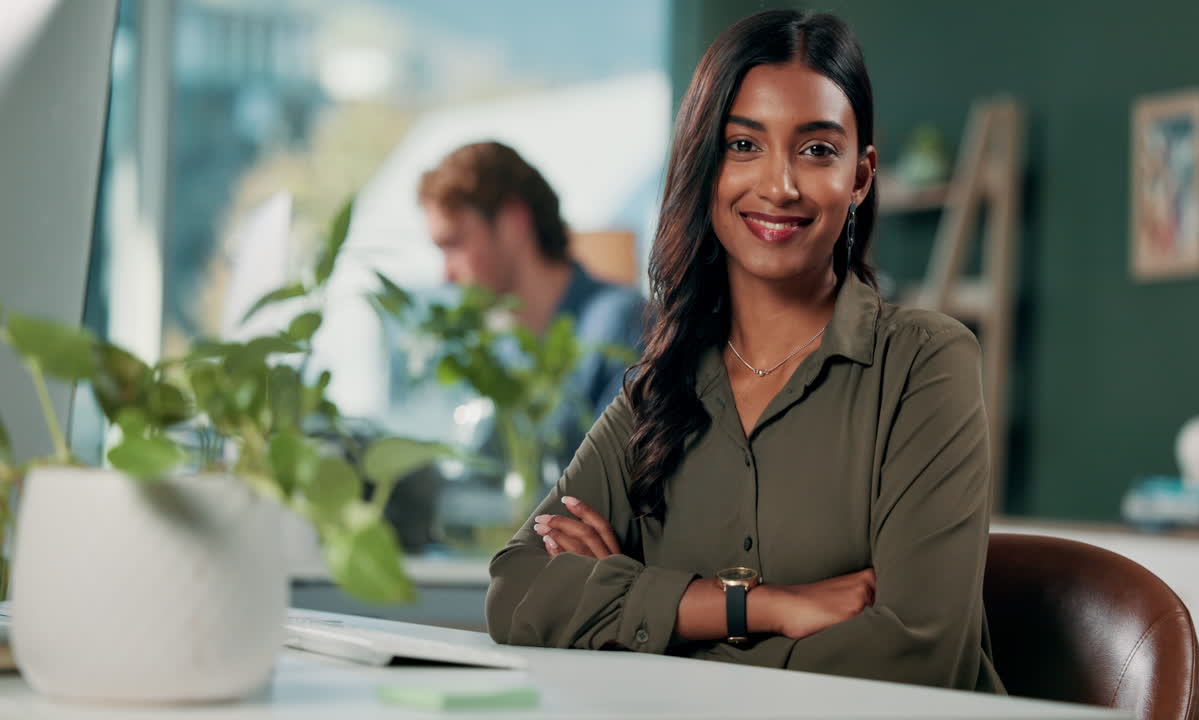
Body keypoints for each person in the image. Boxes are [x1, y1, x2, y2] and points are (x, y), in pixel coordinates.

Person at [485, 9, 1003, 692]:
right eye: (742, 145)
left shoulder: (926, 365)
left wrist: (642, 634)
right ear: (704, 168)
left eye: (817, 150)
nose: (780, 185)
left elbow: (916, 655)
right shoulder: (658, 390)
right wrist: (755, 605)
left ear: (861, 176)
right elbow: (517, 593)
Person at [417, 141, 646, 465]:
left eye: (454, 243)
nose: (446, 275)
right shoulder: (501, 354)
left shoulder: (623, 326)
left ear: (513, 221)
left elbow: (618, 488)